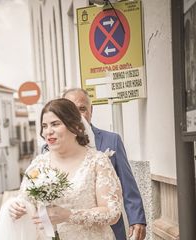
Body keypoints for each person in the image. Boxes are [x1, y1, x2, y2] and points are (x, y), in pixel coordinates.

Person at [0, 98, 122, 240]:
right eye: (44, 126)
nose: (48, 131)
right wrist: (17, 208)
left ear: (75, 127)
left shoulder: (98, 162)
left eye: (55, 124)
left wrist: (68, 215)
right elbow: (25, 200)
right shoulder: (38, 164)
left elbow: (112, 213)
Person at [62, 88, 147, 240]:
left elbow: (127, 183)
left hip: (110, 228)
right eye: (71, 110)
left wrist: (137, 218)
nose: (77, 115)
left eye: (82, 109)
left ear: (91, 111)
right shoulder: (50, 149)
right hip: (70, 229)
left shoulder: (111, 140)